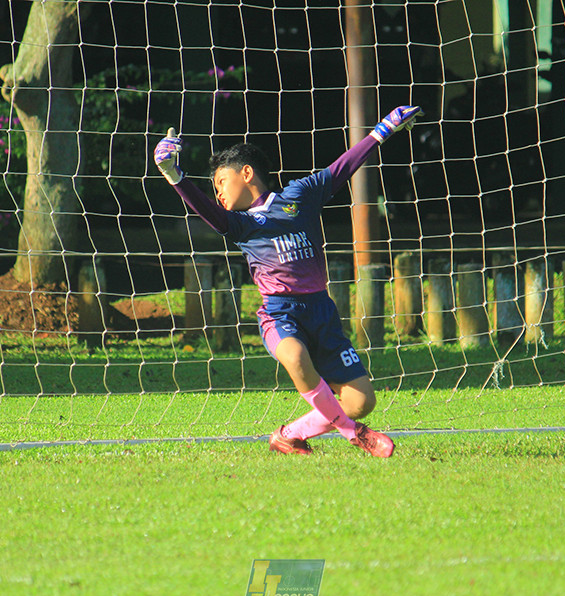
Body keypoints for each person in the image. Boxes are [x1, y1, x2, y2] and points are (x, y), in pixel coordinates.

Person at [154, 106, 422, 456]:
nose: (218, 193)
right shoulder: (239, 225)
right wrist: (173, 174)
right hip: (280, 314)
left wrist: (382, 131)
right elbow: (206, 210)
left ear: (246, 173)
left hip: (321, 312)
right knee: (295, 357)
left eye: (221, 182)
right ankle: (354, 433)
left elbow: (343, 168)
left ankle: (290, 434)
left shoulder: (300, 196)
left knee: (360, 400)